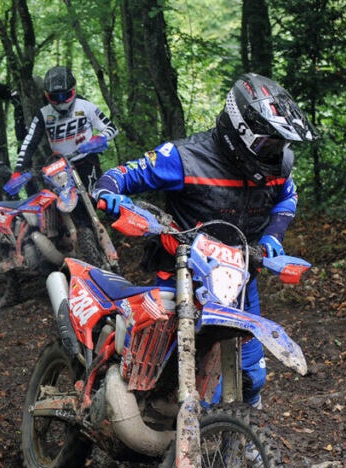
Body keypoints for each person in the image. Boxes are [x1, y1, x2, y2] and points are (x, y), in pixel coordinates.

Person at [92, 73, 318, 411]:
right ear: (240, 131)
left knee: (251, 376)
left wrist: (273, 235)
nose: (276, 153)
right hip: (181, 276)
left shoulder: (276, 167)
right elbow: (123, 174)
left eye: (281, 145)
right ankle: (117, 401)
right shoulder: (183, 157)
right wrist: (108, 192)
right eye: (269, 144)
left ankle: (241, 433)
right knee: (160, 371)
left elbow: (288, 197)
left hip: (239, 278)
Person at [10, 65, 118, 193]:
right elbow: (30, 142)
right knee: (63, 202)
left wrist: (100, 138)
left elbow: (111, 127)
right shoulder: (43, 114)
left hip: (87, 160)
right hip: (60, 166)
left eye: (65, 95)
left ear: (73, 90)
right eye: (55, 97)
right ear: (47, 96)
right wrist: (18, 171)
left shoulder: (85, 106)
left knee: (94, 196)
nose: (61, 102)